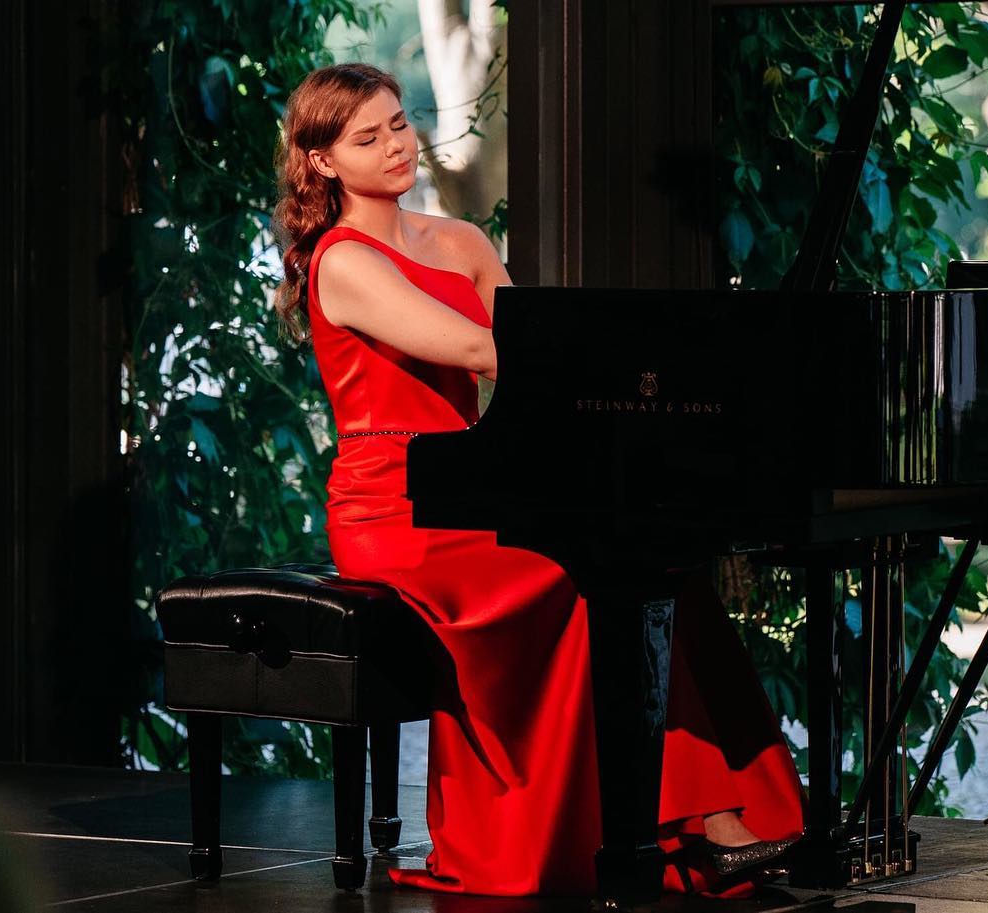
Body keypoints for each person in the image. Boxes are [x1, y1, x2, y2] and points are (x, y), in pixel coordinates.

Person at [271, 62, 805, 898]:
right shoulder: (340, 260)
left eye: (399, 124)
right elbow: (481, 350)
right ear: (323, 162)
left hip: (474, 482)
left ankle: (694, 818)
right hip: (394, 506)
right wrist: (619, 372)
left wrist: (632, 388)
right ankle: (690, 823)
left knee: (657, 570)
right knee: (588, 572)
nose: (396, 146)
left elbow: (540, 360)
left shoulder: (462, 242)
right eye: (367, 138)